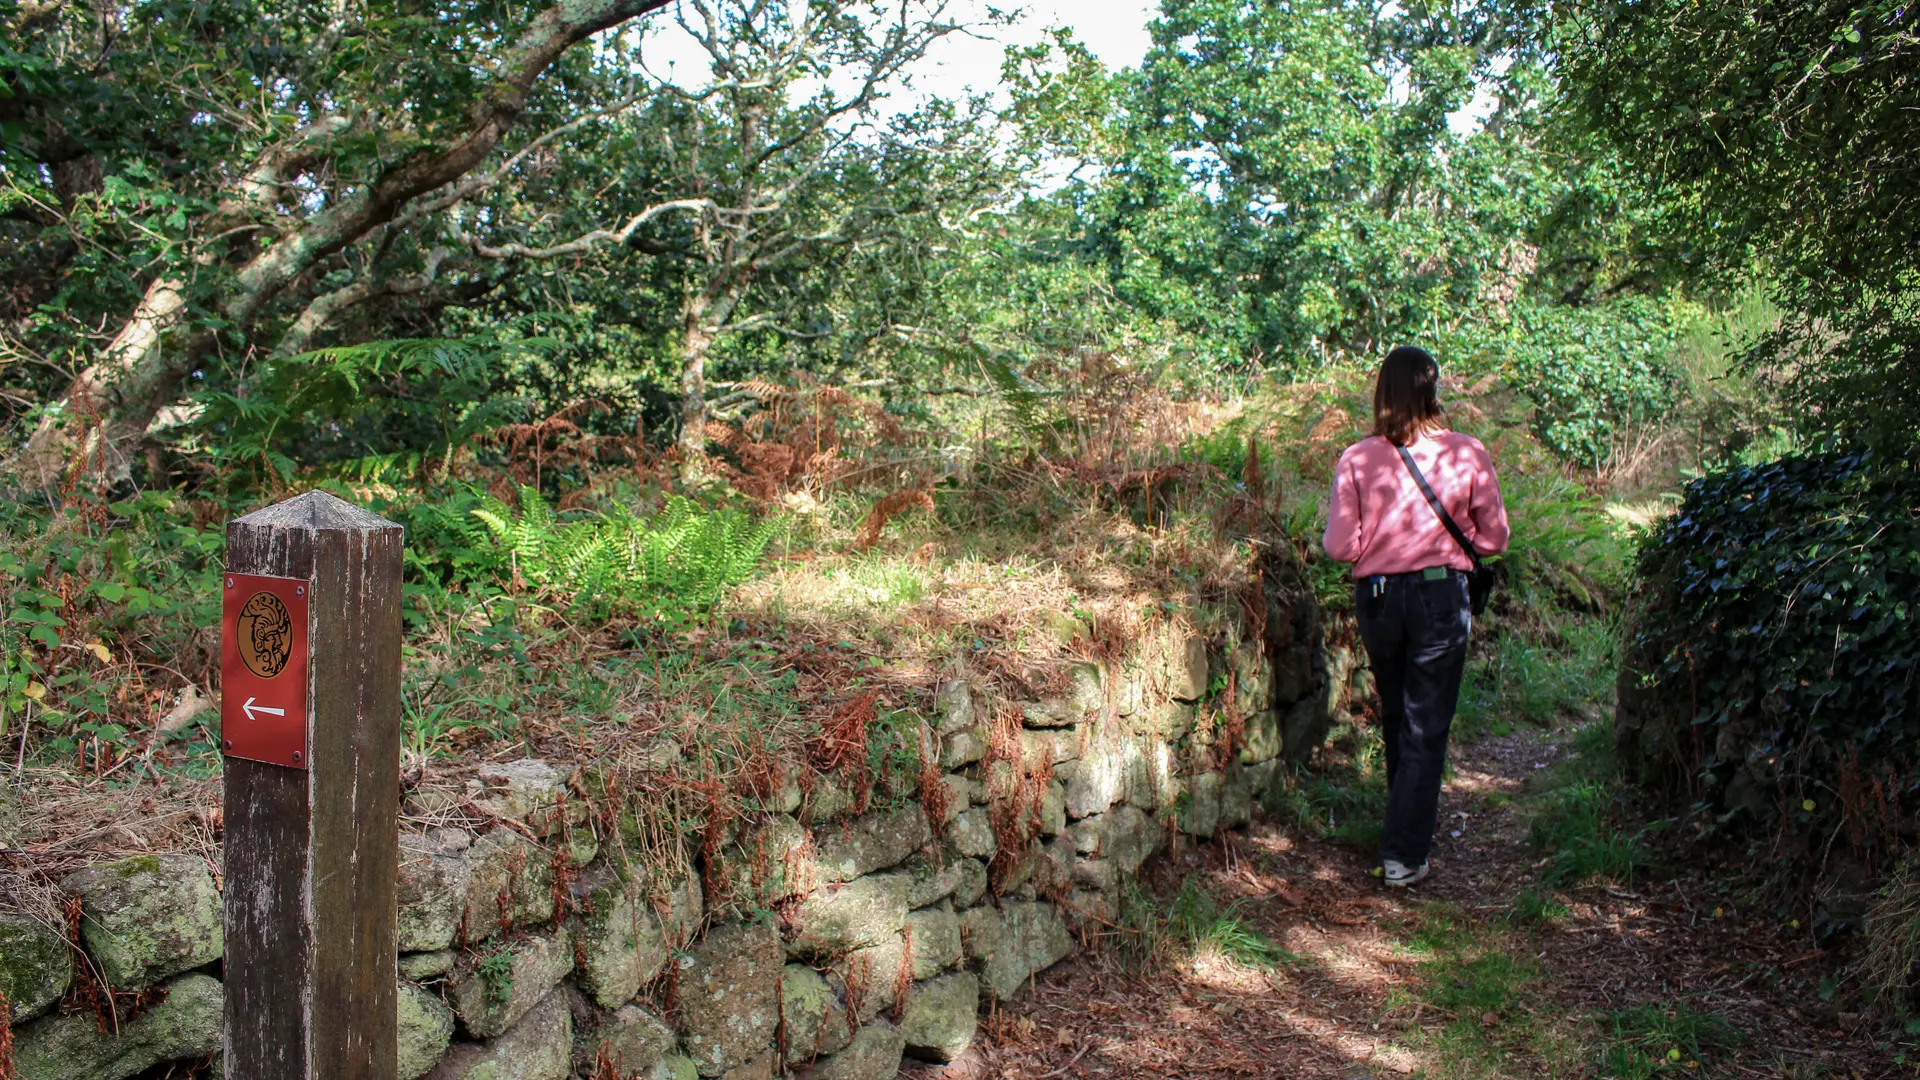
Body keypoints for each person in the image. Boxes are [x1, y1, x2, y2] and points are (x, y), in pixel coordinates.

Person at [1322, 345, 1509, 887]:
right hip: (1439, 597)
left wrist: (1378, 546)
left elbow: (1339, 546)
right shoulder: (1466, 452)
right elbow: (1495, 539)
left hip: (1378, 597)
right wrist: (1448, 544)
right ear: (1433, 390)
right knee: (1425, 723)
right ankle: (1402, 853)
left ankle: (1402, 835)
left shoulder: (1357, 458)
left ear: (1384, 392)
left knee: (1399, 717)